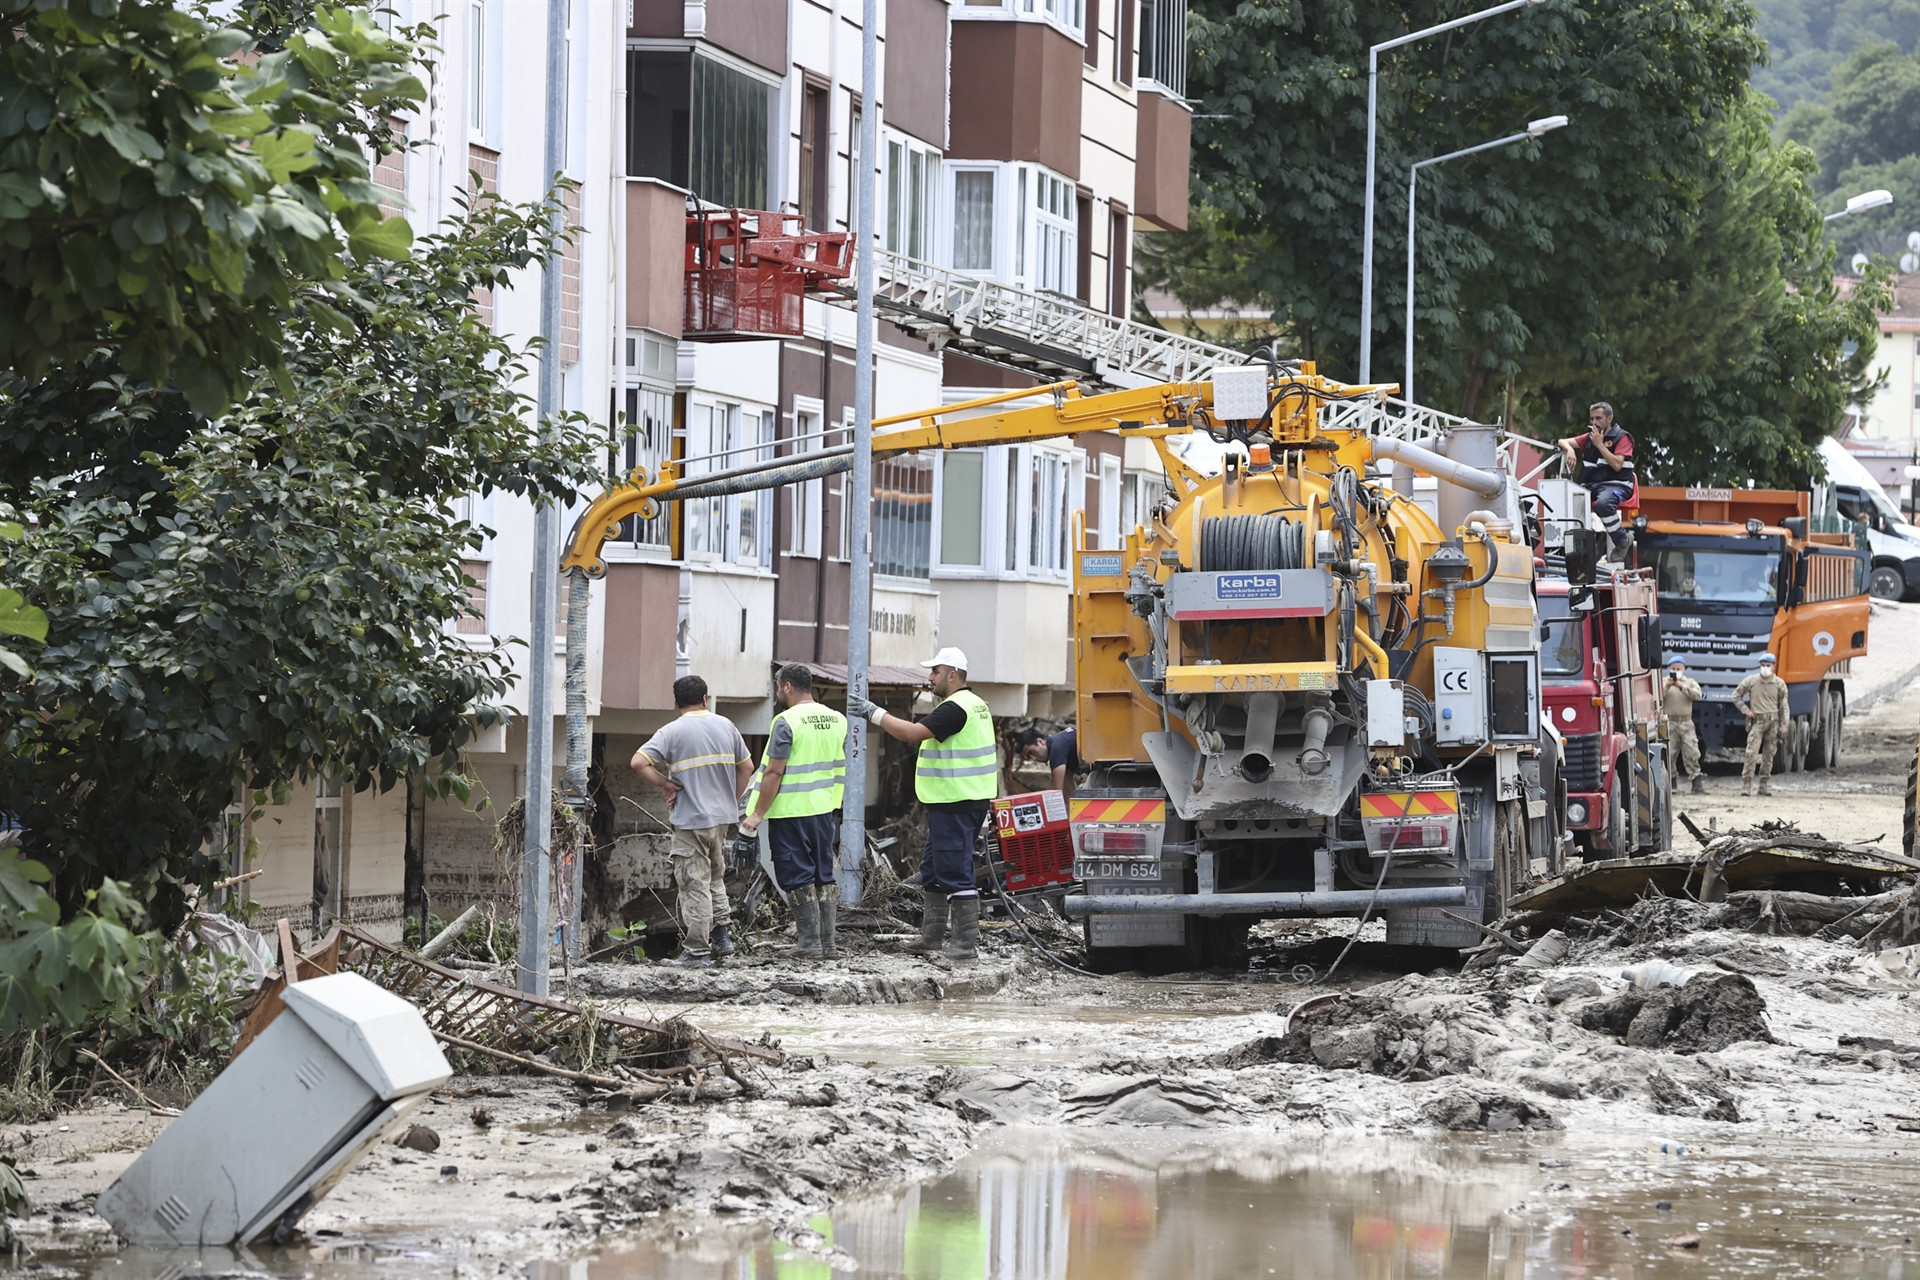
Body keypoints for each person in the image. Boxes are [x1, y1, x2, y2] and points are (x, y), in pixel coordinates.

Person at [847, 646, 996, 963]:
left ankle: (964, 945)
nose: (930, 678)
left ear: (952, 675)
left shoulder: (955, 708)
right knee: (934, 871)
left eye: (935, 672)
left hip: (957, 801)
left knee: (955, 872)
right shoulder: (975, 705)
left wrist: (874, 713)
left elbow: (912, 733)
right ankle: (931, 937)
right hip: (957, 800)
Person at [630, 675, 755, 967]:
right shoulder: (727, 725)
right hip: (722, 820)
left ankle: (697, 951)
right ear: (705, 699)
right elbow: (747, 767)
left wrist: (665, 783)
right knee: (714, 877)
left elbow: (638, 762)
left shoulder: (671, 731)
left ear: (676, 703)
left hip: (691, 821)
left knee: (692, 882)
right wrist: (730, 801)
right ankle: (722, 938)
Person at [740, 664, 848, 962]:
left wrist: (757, 815)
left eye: (778, 688)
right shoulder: (837, 719)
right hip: (824, 810)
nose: (778, 693)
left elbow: (774, 772)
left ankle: (809, 944)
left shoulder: (786, 721)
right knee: (823, 874)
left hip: (791, 812)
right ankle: (829, 945)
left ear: (787, 686)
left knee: (798, 874)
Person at [1556, 402, 1637, 562]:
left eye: (1598, 418)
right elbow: (1562, 441)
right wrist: (1570, 449)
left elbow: (1617, 464)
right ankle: (1576, 551)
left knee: (1603, 504)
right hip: (1593, 486)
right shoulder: (1588, 438)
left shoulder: (1623, 437)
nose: (1594, 422)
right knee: (1567, 501)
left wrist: (1599, 445)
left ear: (1609, 419)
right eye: (1592, 418)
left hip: (1618, 484)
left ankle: (1622, 541)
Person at [1733, 652, 1790, 797]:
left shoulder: (1779, 684)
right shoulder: (1751, 681)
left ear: (1773, 666)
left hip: (1773, 723)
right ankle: (1746, 785)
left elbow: (1784, 706)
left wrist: (1784, 726)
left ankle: (1763, 785)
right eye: (1763, 665)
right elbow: (1736, 695)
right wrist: (1745, 710)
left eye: (1768, 666)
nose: (1765, 668)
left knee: (1769, 755)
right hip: (1757, 722)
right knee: (1751, 753)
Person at [1663, 659, 1706, 795]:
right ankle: (1672, 782)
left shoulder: (1690, 682)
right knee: (1669, 753)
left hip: (1686, 723)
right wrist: (1668, 686)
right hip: (1669, 723)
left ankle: (1696, 783)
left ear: (1684, 669)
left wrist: (1682, 687)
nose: (1676, 672)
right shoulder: (1664, 682)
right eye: (1673, 669)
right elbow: (1656, 697)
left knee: (1692, 752)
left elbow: (1698, 695)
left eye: (1678, 669)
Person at [1015, 725, 1082, 800]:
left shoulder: (1056, 747)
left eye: (1032, 752)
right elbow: (1069, 789)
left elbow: (1055, 791)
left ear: (1040, 741)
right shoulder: (1060, 744)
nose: (1034, 758)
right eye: (1029, 757)